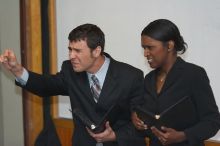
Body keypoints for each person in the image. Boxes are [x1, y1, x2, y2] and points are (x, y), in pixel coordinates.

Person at [0, 24, 146, 146]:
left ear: (96, 51)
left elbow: (140, 123)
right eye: (70, 49)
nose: (71, 56)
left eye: (77, 51)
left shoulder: (131, 76)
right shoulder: (70, 71)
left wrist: (115, 136)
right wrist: (17, 70)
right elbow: (46, 85)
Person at [132, 19, 220, 146]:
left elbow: (212, 121)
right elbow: (151, 121)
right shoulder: (149, 79)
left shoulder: (194, 74)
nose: (145, 53)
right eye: (144, 48)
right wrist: (138, 122)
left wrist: (183, 136)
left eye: (150, 47)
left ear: (169, 45)